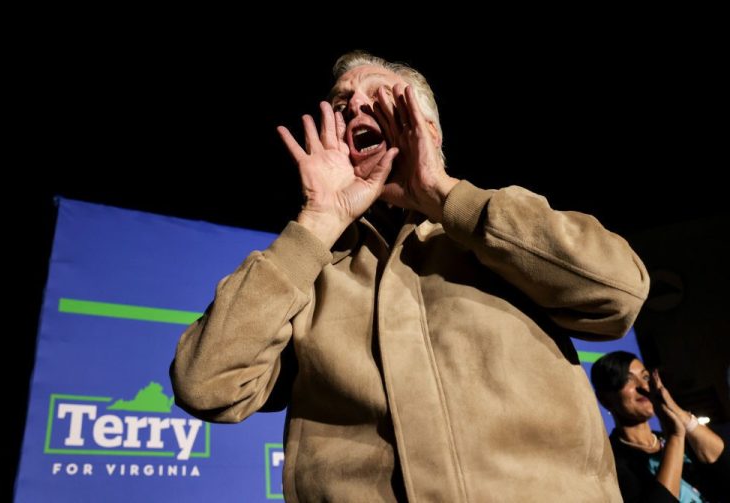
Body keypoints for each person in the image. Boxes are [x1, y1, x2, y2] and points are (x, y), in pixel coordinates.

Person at [171, 50, 650, 501]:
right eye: (341, 105)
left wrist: (442, 193)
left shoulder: (498, 232)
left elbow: (619, 293)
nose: (354, 106)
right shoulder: (309, 273)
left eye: (379, 96)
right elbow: (205, 385)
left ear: (430, 130)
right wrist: (317, 221)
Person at [591, 351, 728, 502]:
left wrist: (679, 414)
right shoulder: (611, 462)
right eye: (627, 379)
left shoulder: (676, 437)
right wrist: (675, 437)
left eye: (645, 377)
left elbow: (724, 465)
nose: (643, 386)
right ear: (604, 399)